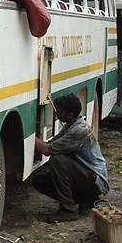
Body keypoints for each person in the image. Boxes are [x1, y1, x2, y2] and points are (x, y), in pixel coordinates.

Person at [32, 93, 109, 223]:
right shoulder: (70, 125)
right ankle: (85, 199)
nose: (57, 114)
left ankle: (68, 211)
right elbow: (53, 143)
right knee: (40, 182)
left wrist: (28, 137)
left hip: (94, 181)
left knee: (58, 161)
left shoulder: (79, 130)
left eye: (59, 112)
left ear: (70, 115)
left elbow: (47, 150)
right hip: (86, 176)